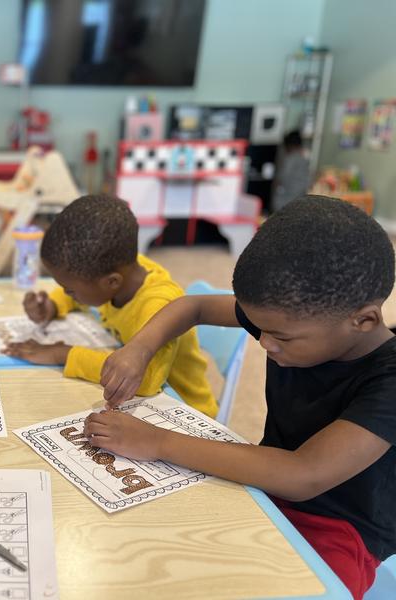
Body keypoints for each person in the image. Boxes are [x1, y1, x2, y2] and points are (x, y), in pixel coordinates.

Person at [94, 195, 395, 599]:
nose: (265, 343)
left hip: (340, 532)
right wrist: (139, 348)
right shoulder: (295, 320)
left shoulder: (388, 379)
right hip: (263, 484)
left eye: (281, 336)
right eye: (259, 328)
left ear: (364, 320)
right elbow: (193, 306)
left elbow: (304, 474)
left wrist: (158, 441)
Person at [4, 194, 218, 417]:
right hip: (147, 403)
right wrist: (52, 306)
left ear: (112, 282)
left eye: (70, 289)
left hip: (184, 412)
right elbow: (79, 289)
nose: (67, 293)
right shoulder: (120, 271)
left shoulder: (157, 304)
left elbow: (145, 379)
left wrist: (63, 354)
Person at [271, 129, 310, 212]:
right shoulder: (303, 159)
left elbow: (280, 180)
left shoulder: (290, 159)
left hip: (285, 202)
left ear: (289, 145)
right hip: (299, 201)